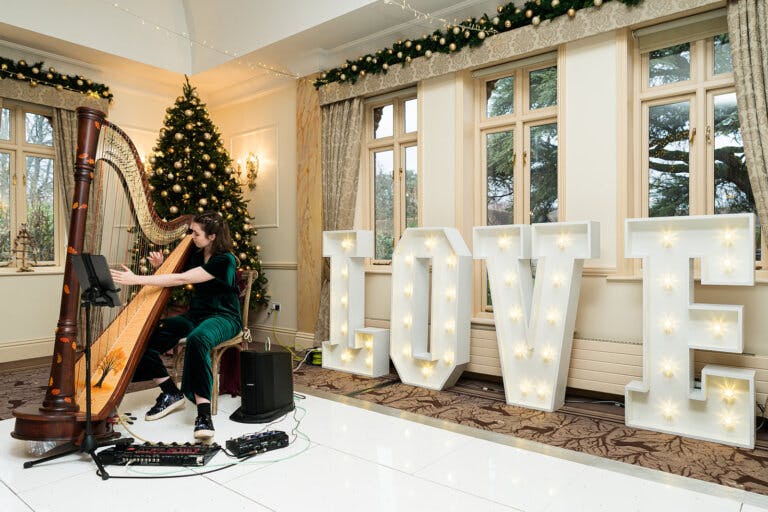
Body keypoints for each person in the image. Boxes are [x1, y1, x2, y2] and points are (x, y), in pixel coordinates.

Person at [110, 211, 242, 440]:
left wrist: (137, 279)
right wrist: (161, 264)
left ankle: (203, 415)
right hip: (196, 315)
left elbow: (182, 279)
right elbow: (179, 272)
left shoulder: (225, 260)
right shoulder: (197, 254)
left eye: (196, 233)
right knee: (145, 335)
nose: (191, 236)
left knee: (198, 338)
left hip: (224, 317)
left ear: (212, 237)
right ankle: (170, 392)